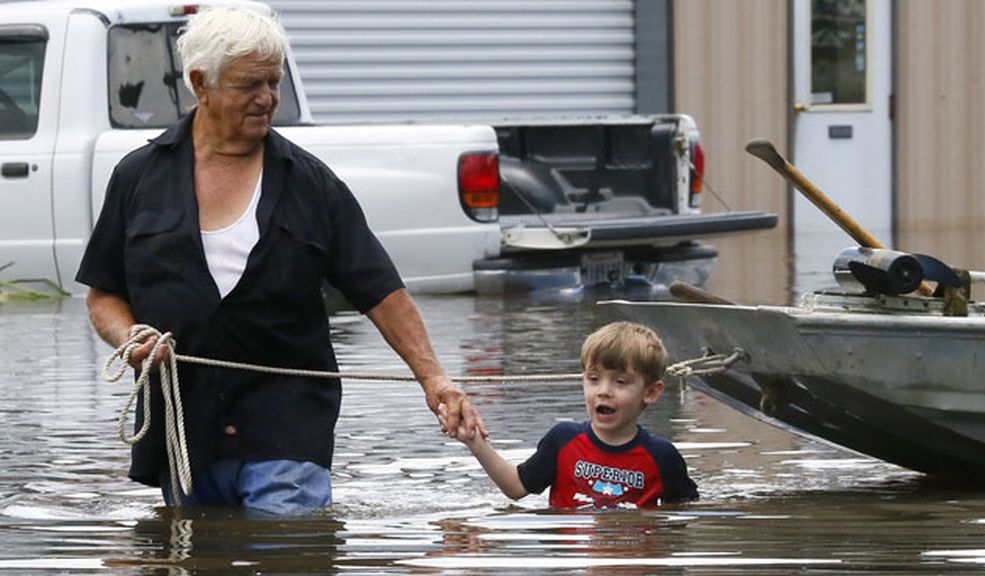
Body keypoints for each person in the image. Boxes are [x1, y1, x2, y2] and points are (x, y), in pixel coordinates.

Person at [76, 6, 484, 515]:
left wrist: (435, 379)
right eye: (251, 85)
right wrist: (130, 339)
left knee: (289, 547)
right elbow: (103, 294)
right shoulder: (137, 177)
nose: (268, 98)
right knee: (198, 555)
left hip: (288, 421)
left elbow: (380, 291)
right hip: (185, 424)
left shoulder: (311, 184)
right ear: (201, 83)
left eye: (274, 81)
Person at [449, 321, 698, 509]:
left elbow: (683, 511)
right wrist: (474, 441)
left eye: (620, 382)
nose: (604, 391)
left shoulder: (662, 456)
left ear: (651, 392)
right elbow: (515, 487)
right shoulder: (563, 440)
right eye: (593, 379)